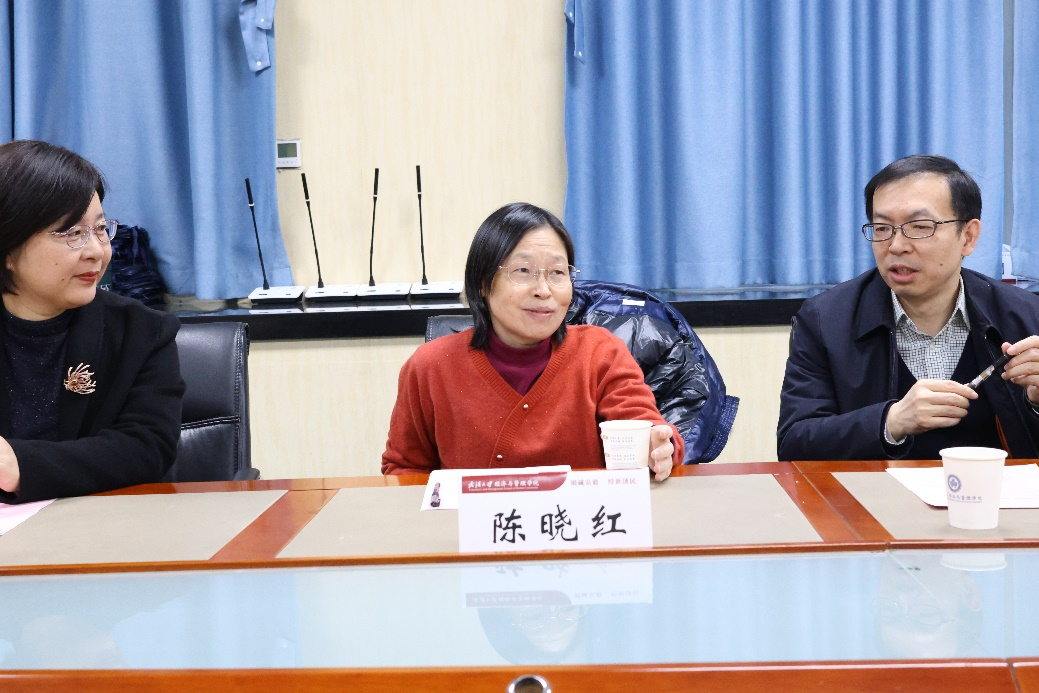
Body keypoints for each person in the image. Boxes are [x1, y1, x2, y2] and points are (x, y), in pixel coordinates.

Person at [382, 202, 682, 479]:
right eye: (523, 271)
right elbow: (405, 470)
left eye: (557, 272)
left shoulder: (600, 352)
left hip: (580, 519)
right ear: (482, 283)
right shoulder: (430, 366)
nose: (543, 290)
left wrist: (659, 447)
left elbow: (646, 426)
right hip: (470, 521)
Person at [778, 155, 1039, 461]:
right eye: (882, 228)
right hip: (875, 491)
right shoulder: (826, 320)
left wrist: (1036, 404)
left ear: (968, 237)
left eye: (919, 227)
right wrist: (891, 422)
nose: (896, 245)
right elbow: (794, 442)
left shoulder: (1026, 315)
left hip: (995, 490)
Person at [0, 140, 184, 503]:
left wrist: (21, 465)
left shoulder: (142, 332)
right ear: (8, 249)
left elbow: (147, 448)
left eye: (100, 229)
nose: (97, 251)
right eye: (73, 233)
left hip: (104, 522)